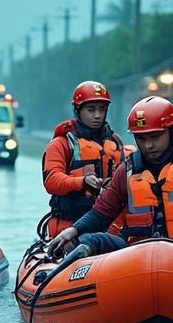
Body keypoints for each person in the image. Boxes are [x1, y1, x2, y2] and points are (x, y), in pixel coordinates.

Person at [47, 96, 173, 259]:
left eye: (155, 137)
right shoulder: (127, 170)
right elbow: (102, 212)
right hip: (141, 255)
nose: (148, 145)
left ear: (172, 131)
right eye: (142, 138)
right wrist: (75, 230)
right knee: (92, 240)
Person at [40, 80, 126, 238]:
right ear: (78, 110)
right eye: (91, 109)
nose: (97, 115)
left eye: (102, 109)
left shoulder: (115, 142)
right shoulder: (62, 143)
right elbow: (51, 181)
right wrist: (82, 181)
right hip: (68, 225)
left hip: (109, 226)